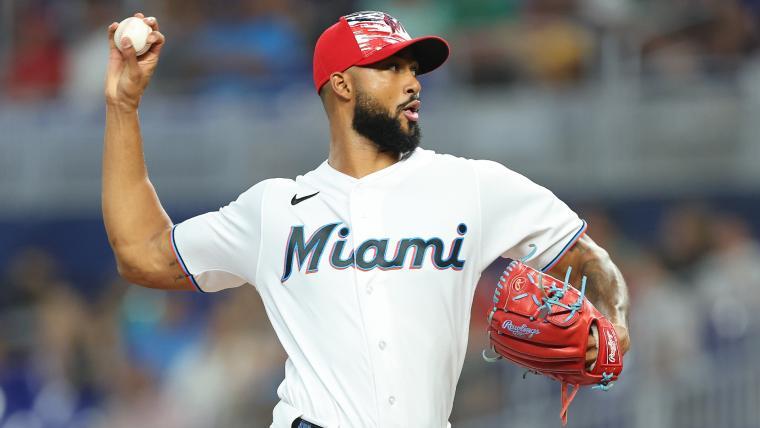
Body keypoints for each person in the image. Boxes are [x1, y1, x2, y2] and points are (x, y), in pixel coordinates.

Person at [102, 11, 630, 428]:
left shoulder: (472, 185)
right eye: (390, 67)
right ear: (341, 85)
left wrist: (615, 319)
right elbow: (142, 252)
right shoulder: (274, 209)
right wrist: (124, 106)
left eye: (413, 69)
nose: (412, 83)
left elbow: (589, 257)